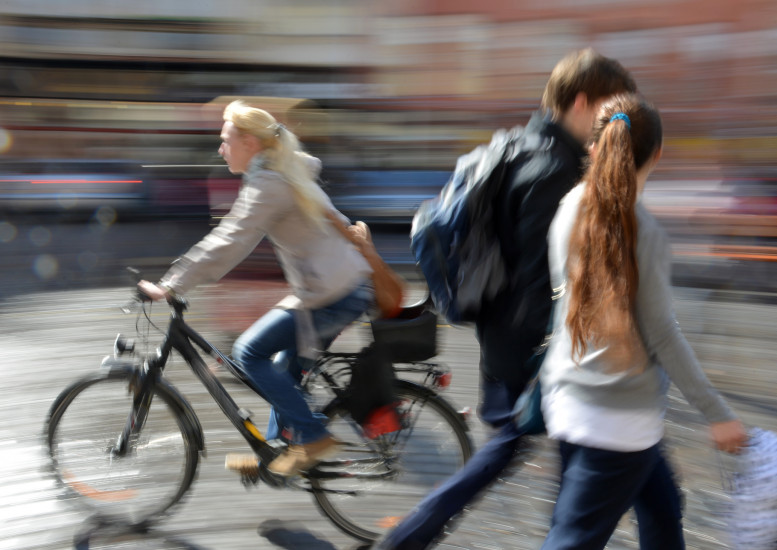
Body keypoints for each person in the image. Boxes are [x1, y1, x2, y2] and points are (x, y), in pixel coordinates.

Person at [376, 49, 638, 550]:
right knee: (558, 460)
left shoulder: (513, 146)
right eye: (612, 113)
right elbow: (544, 281)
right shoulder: (555, 170)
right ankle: (407, 538)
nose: (613, 127)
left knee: (561, 461)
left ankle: (411, 538)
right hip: (536, 352)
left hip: (502, 340)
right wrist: (561, 355)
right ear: (583, 102)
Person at [539, 93, 748, 549]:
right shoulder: (644, 231)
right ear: (657, 155)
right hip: (617, 419)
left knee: (664, 512)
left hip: (570, 398)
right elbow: (663, 334)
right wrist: (717, 414)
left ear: (594, 148)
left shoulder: (569, 207)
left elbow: (560, 299)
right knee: (572, 540)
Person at [138, 100, 374, 477]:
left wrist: (171, 284)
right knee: (282, 368)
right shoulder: (286, 169)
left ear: (249, 142)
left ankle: (312, 437)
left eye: (226, 140)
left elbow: (231, 239)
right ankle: (277, 454)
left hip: (331, 293)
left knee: (249, 353)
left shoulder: (270, 183)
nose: (221, 148)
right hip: (340, 286)